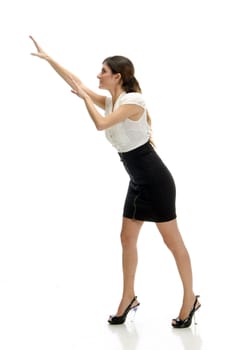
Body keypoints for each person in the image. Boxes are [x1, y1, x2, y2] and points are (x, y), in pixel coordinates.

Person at [29, 35, 201, 328]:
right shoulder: (113, 100)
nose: (98, 75)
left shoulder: (133, 102)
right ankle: (128, 297)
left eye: (103, 71)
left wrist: (85, 100)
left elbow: (100, 125)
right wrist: (50, 60)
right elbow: (77, 82)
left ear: (117, 76)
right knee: (126, 238)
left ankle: (190, 300)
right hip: (137, 181)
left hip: (156, 181)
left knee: (172, 243)